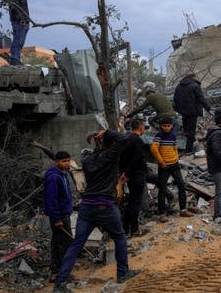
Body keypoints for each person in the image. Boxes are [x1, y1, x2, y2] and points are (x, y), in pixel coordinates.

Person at [53, 130, 140, 292]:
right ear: (111, 144)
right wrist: (106, 132)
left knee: (76, 244)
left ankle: (59, 283)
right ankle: (122, 273)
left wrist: (101, 139)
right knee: (120, 236)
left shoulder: (86, 160)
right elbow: (125, 139)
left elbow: (113, 144)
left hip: (86, 207)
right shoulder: (111, 155)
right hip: (104, 206)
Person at [151, 116, 194, 223]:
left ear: (171, 126)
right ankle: (162, 214)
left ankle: (183, 210)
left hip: (174, 165)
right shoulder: (159, 136)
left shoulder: (172, 136)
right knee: (162, 189)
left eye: (168, 126)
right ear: (161, 126)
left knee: (181, 185)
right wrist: (161, 161)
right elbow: (153, 149)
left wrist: (175, 159)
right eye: (164, 126)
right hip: (164, 166)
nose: (166, 128)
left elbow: (175, 148)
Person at [44, 151, 73, 284]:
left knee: (58, 242)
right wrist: (57, 219)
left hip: (64, 214)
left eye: (68, 161)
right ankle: (62, 273)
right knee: (63, 244)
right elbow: (51, 200)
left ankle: (57, 271)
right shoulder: (54, 177)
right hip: (59, 216)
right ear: (56, 162)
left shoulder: (63, 174)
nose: (67, 163)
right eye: (64, 161)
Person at [119, 119, 148, 237]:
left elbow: (123, 158)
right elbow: (136, 159)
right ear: (141, 128)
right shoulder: (138, 141)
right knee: (135, 202)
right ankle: (135, 229)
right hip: (136, 174)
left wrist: (124, 173)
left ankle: (126, 229)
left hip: (129, 175)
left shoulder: (126, 139)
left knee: (131, 201)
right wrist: (127, 174)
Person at [173, 71, 212, 154]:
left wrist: (178, 110)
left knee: (187, 130)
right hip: (192, 112)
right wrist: (209, 109)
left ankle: (191, 145)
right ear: (194, 77)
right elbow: (201, 99)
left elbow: (175, 99)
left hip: (183, 112)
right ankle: (188, 150)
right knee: (191, 131)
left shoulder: (179, 86)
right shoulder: (195, 86)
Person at [6, 0, 30, 66]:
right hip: (19, 22)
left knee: (20, 42)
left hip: (25, 23)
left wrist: (27, 21)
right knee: (17, 41)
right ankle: (14, 60)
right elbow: (15, 8)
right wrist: (21, 19)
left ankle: (17, 59)